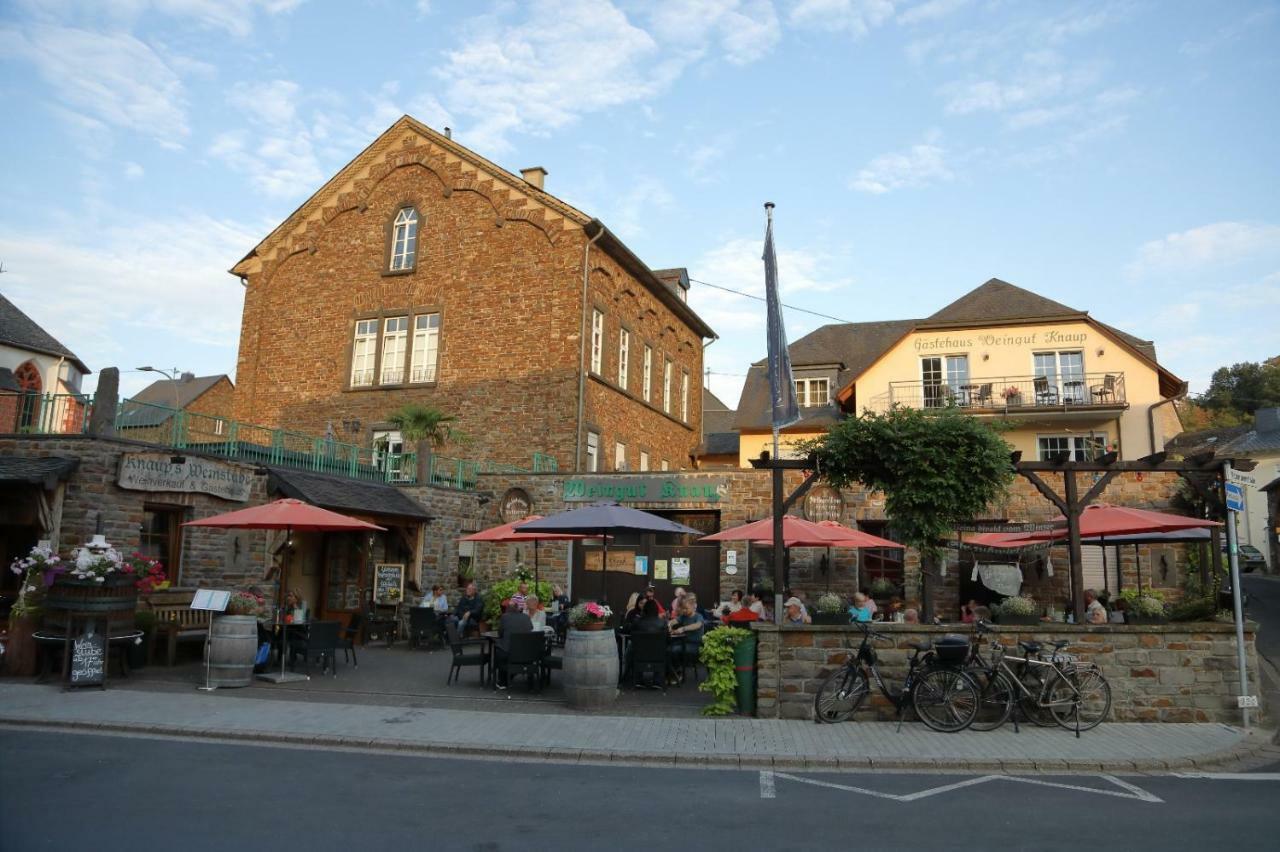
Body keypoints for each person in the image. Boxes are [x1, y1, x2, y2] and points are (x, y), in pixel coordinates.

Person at [495, 601, 534, 688]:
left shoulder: (504, 617)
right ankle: (512, 675)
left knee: (499, 650)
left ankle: (502, 681)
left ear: (507, 609)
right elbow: (531, 628)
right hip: (526, 655)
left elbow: (500, 634)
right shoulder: (526, 617)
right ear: (517, 608)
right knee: (505, 649)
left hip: (509, 654)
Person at [668, 596, 706, 683]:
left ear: (693, 606)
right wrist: (669, 625)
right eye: (683, 609)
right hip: (684, 642)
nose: (684, 611)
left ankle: (678, 673)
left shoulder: (698, 616)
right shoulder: (683, 616)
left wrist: (683, 628)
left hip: (696, 645)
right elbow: (673, 621)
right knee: (668, 648)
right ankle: (671, 673)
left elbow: (698, 625)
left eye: (686, 608)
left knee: (674, 650)